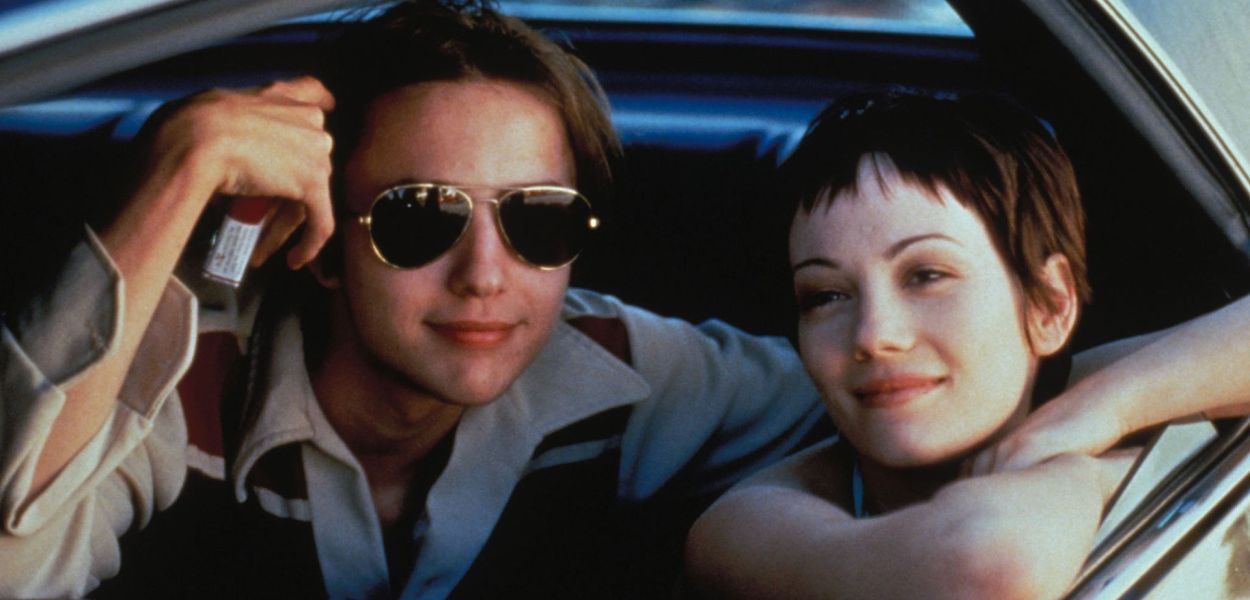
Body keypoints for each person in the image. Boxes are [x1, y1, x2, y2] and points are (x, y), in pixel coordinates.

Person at [684, 91, 1250, 599]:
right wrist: (1106, 467)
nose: (875, 336)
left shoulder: (1075, 402)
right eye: (826, 296)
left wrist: (1107, 407)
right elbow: (982, 566)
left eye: (927, 275)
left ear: (1050, 306)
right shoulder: (747, 525)